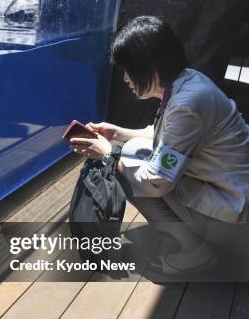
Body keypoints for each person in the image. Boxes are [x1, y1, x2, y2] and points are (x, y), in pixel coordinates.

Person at [69, 16, 249, 274]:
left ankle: (196, 253)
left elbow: (157, 181)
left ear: (151, 69)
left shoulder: (186, 106)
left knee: (128, 170)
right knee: (131, 152)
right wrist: (117, 133)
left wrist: (108, 155)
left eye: (128, 71)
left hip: (235, 220)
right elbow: (165, 137)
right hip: (230, 195)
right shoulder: (188, 82)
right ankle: (191, 236)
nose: (126, 80)